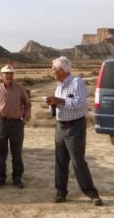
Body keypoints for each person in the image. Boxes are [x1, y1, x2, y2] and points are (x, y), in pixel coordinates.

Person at [44, 56, 103, 206]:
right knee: (60, 161)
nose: (52, 72)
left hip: (74, 127)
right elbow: (60, 106)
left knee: (78, 161)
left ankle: (92, 194)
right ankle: (61, 193)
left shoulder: (77, 82)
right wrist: (52, 103)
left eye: (54, 69)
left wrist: (60, 101)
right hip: (60, 126)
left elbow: (81, 103)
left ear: (62, 70)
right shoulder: (59, 86)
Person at [0, 64, 31, 189]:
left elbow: (27, 104)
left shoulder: (19, 88)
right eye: (6, 73)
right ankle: (1, 178)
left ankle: (17, 178)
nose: (9, 76)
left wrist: (25, 119)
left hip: (17, 124)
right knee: (1, 154)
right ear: (2, 75)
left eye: (11, 73)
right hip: (0, 123)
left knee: (16, 153)